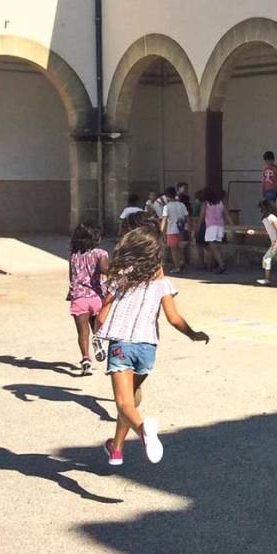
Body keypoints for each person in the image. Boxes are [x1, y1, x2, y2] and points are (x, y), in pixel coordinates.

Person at [95, 224, 209, 466]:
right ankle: (116, 448)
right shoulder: (162, 283)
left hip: (122, 344)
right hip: (147, 349)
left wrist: (97, 334)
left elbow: (102, 315)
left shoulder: (121, 278)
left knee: (124, 403)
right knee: (132, 399)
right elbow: (174, 318)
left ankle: (143, 431)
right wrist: (193, 334)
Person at [67, 223, 109, 376]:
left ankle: (86, 359)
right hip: (96, 296)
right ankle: (98, 340)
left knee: (82, 331)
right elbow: (105, 269)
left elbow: (71, 275)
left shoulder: (73, 254)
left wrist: (71, 291)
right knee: (96, 326)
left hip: (78, 296)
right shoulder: (100, 253)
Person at [252, 200, 277, 286]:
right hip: (275, 241)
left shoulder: (272, 217)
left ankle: (267, 279)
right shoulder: (266, 219)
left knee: (266, 258)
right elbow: (268, 231)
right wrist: (255, 232)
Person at [197, 187, 233, 274]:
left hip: (211, 227)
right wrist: (232, 225)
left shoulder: (206, 204)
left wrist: (197, 229)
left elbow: (201, 217)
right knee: (216, 246)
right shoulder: (221, 203)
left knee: (212, 246)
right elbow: (227, 215)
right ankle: (211, 265)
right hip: (220, 226)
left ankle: (221, 264)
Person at [160, 187, 188, 273]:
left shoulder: (167, 207)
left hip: (171, 229)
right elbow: (187, 217)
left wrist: (162, 231)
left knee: (173, 249)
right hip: (181, 229)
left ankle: (177, 266)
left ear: (167, 196)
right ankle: (182, 261)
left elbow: (164, 219)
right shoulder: (182, 205)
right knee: (181, 247)